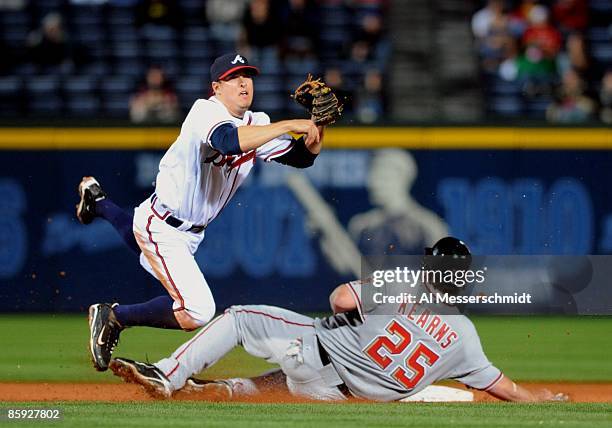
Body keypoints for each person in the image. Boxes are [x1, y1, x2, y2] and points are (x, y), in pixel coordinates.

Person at [78, 53, 324, 372]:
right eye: (234, 78)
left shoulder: (257, 123)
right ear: (216, 87)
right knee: (197, 309)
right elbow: (228, 141)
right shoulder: (204, 111)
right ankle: (113, 317)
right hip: (163, 224)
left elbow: (302, 157)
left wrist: (318, 125)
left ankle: (97, 201)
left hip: (184, 229)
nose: (243, 82)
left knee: (141, 244)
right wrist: (291, 123)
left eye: (247, 76)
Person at [108, 237, 567, 403]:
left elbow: (340, 298)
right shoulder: (465, 335)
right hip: (334, 397)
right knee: (289, 378)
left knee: (240, 317)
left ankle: (169, 375)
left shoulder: (403, 284)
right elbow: (501, 387)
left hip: (318, 352)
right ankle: (225, 391)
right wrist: (538, 400)